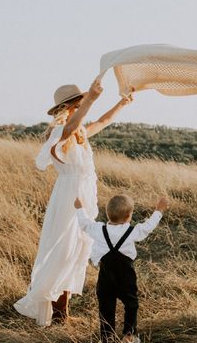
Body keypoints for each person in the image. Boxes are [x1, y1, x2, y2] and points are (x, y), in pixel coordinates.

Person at [14, 78, 134, 326]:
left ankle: (62, 312)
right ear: (70, 107)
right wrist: (90, 99)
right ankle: (56, 313)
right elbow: (69, 129)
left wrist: (123, 103)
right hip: (71, 198)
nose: (83, 108)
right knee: (64, 250)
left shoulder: (79, 133)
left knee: (77, 250)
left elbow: (103, 121)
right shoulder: (60, 132)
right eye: (79, 104)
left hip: (84, 194)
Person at [74, 193, 168, 343]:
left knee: (106, 310)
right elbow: (147, 227)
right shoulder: (132, 231)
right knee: (131, 304)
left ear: (107, 213)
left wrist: (79, 208)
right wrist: (158, 211)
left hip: (105, 278)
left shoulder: (98, 229)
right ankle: (129, 337)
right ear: (128, 216)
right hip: (126, 277)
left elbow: (84, 224)